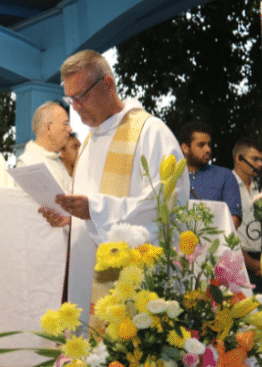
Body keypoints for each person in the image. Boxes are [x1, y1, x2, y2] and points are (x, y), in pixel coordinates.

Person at [39, 49, 189, 328]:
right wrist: (69, 218)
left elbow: (166, 204)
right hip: (87, 272)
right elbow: (90, 212)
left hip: (136, 283)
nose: (77, 107)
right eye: (71, 99)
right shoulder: (88, 144)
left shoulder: (150, 132)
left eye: (81, 96)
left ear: (107, 85)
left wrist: (95, 209)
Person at [179, 121, 242, 228]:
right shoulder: (171, 177)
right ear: (185, 148)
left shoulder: (225, 176)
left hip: (216, 243)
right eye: (201, 145)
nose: (208, 149)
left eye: (209, 144)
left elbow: (234, 218)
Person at [231, 138, 262, 294]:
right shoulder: (226, 185)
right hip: (237, 261)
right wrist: (251, 263)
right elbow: (226, 230)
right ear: (239, 158)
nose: (260, 164)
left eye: (261, 159)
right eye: (255, 159)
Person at [16, 101, 73, 191]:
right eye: (65, 124)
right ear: (49, 128)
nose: (70, 129)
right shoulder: (28, 164)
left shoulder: (56, 160)